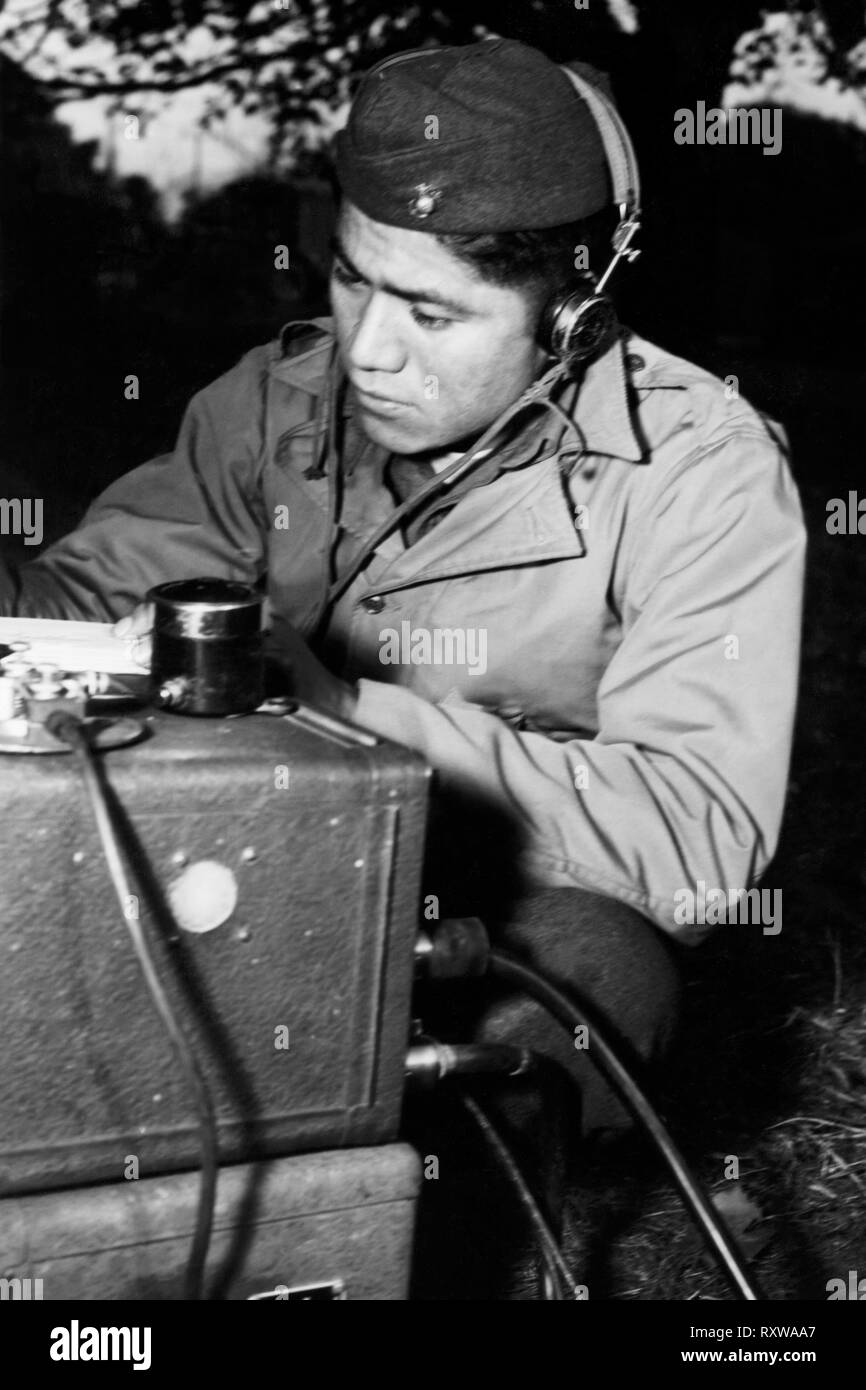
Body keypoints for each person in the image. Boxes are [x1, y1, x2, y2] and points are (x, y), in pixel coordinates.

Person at [0, 39, 805, 1149]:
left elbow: (693, 845)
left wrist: (334, 709)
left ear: (572, 314)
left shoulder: (702, 471)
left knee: (587, 981)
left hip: (494, 902)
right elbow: (92, 600)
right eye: (351, 277)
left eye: (431, 316)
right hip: (259, 854)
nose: (368, 350)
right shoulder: (270, 401)